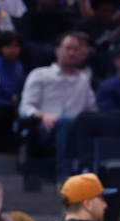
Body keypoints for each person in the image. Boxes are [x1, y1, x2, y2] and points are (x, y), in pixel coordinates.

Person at [17, 31, 96, 182]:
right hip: (47, 128)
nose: (72, 53)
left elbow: (92, 109)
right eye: (68, 48)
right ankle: (64, 178)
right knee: (65, 123)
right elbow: (25, 107)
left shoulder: (84, 80)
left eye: (75, 49)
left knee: (91, 123)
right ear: (57, 50)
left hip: (78, 129)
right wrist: (42, 115)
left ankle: (92, 177)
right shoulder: (40, 75)